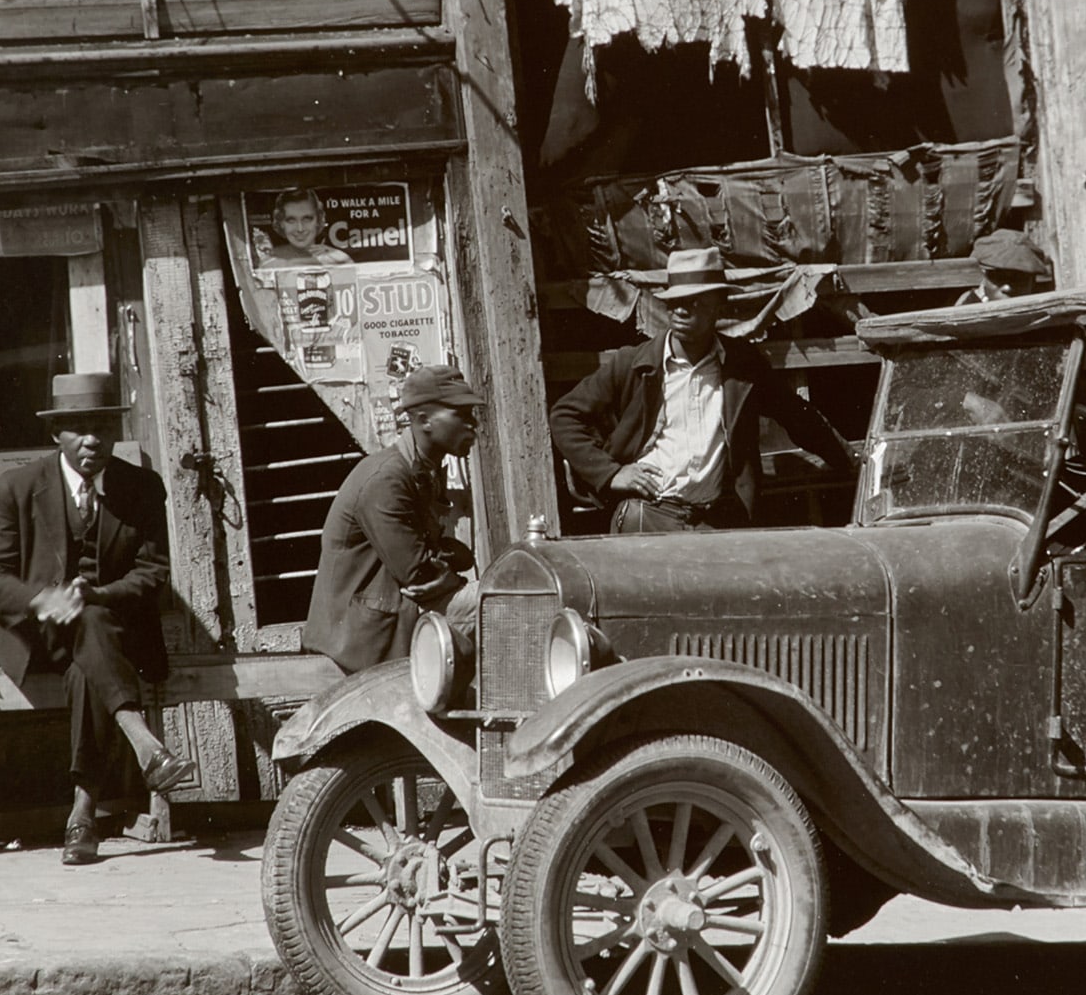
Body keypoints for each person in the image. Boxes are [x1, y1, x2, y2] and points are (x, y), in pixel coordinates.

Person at [0, 372, 191, 866]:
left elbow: (153, 573)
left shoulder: (141, 487)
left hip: (113, 639)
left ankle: (82, 813)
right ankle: (144, 743)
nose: (92, 439)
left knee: (90, 640)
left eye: (102, 427)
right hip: (38, 639)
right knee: (87, 632)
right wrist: (41, 600)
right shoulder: (17, 487)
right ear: (56, 434)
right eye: (77, 428)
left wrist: (101, 593)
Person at [550, 246, 855, 533]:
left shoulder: (742, 366)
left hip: (716, 522)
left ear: (718, 305)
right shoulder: (634, 363)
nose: (680, 310)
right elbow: (565, 416)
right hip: (647, 518)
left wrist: (856, 461)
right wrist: (611, 473)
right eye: (674, 301)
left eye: (693, 301)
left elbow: (800, 418)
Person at [304, 364, 482, 675]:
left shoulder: (422, 470)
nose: (473, 425)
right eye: (461, 414)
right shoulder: (387, 479)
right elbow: (419, 573)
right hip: (362, 644)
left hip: (394, 621)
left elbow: (437, 556)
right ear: (424, 420)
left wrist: (448, 560)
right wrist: (447, 568)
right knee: (501, 600)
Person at [259, 188, 354, 269]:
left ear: (318, 219)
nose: (300, 229)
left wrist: (342, 258)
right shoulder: (270, 263)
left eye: (307, 219)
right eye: (291, 220)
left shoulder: (339, 260)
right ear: (281, 223)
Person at [959, 228, 1053, 303]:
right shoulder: (967, 306)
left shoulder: (1046, 311)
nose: (1007, 288)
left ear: (1032, 281)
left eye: (1018, 279)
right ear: (984, 273)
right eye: (1000, 277)